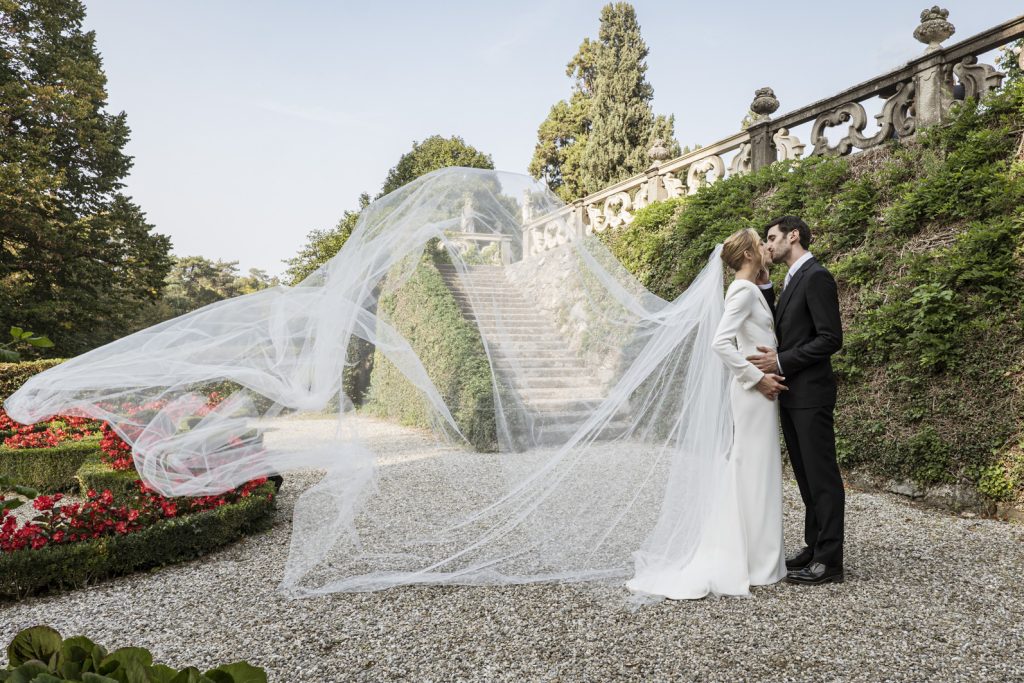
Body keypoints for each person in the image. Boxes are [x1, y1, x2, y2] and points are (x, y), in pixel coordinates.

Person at [626, 227, 787, 599]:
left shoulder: (749, 289)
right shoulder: (742, 292)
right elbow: (720, 342)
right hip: (752, 395)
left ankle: (759, 557)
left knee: (755, 471)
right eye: (760, 244)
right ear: (747, 254)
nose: (766, 247)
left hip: (755, 394)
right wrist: (756, 379)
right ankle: (755, 561)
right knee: (753, 470)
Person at [748, 216, 845, 586]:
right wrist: (767, 288)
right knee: (805, 477)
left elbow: (830, 338)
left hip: (812, 395)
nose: (768, 245)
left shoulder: (816, 276)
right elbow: (785, 326)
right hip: (791, 396)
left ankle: (830, 562)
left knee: (822, 477)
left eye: (772, 238)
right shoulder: (791, 279)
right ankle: (814, 545)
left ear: (794, 236)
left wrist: (781, 361)